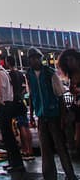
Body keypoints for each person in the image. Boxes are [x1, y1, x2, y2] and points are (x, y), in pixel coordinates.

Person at [26, 47, 77, 180]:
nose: (34, 61)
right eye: (32, 58)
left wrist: (62, 116)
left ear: (40, 59)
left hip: (54, 115)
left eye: (36, 58)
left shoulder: (50, 73)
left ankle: (70, 175)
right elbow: (31, 95)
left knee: (60, 147)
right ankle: (49, 176)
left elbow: (60, 96)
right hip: (41, 116)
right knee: (45, 149)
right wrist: (32, 115)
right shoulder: (29, 74)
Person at [0, 51, 26, 178]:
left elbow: (0, 92)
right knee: (8, 136)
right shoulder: (2, 73)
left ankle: (16, 163)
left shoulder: (0, 74)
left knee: (8, 136)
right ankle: (14, 162)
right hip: (7, 106)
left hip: (5, 107)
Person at [7, 55, 34, 160]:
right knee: (26, 126)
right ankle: (30, 149)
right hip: (22, 101)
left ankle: (25, 150)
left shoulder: (10, 75)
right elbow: (24, 89)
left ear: (8, 62)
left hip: (15, 102)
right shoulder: (20, 74)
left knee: (21, 126)